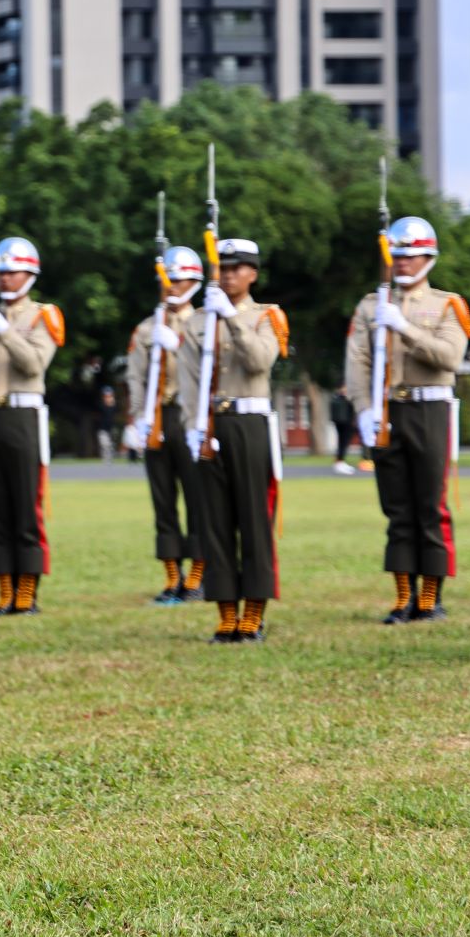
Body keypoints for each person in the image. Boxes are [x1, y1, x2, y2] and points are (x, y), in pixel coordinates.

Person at [344, 216, 470, 624]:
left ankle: (430, 597)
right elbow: (357, 361)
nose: (402, 263)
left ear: (428, 258)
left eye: (411, 256)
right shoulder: (370, 305)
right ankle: (403, 597)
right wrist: (363, 408)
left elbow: (450, 357)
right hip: (386, 410)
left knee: (430, 505)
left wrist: (405, 328)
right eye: (397, 255)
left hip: (430, 407)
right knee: (396, 505)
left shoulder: (447, 305)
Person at [176, 238, 288, 643]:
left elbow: (259, 361)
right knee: (215, 521)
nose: (227, 275)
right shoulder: (197, 322)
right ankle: (226, 614)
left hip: (249, 422)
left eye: (236, 268)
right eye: (221, 268)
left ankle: (253, 613)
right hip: (210, 423)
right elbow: (188, 381)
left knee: (254, 520)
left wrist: (232, 320)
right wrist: (193, 426)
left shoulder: (266, 316)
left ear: (252, 273)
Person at [0, 237, 64, 617]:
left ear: (30, 273)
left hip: (23, 414)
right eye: (0, 272)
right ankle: (5, 588)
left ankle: (27, 591)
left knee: (25, 502)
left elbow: (34, 364)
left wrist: (2, 330)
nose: (4, 279)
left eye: (12, 271)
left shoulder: (42, 316)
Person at [123, 246, 210, 605]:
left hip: (191, 415)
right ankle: (172, 576)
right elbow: (136, 377)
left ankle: (199, 575)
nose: (171, 286)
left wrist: (179, 344)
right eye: (167, 279)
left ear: (194, 281)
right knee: (162, 499)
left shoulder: (205, 321)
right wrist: (138, 417)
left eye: (178, 279)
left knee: (199, 498)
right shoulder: (147, 328)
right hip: (158, 417)